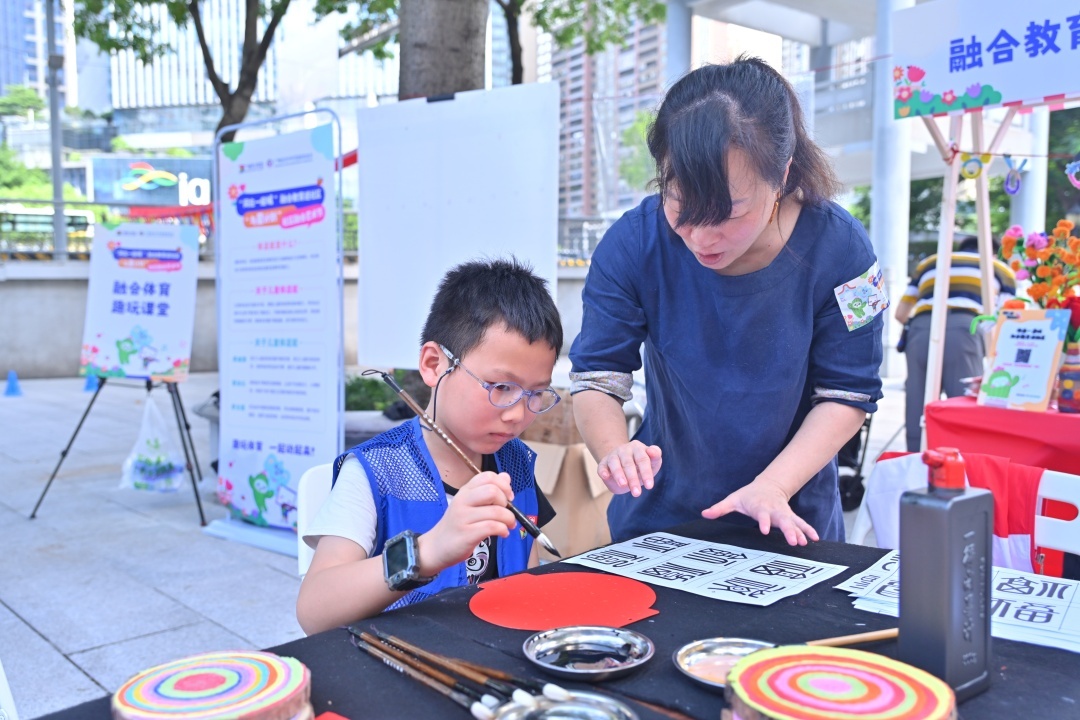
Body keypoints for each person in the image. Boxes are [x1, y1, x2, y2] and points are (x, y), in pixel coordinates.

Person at [569, 57, 884, 547]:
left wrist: (773, 487)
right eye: (680, 205)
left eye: (727, 213)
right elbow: (596, 375)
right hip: (661, 522)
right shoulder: (631, 243)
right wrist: (614, 450)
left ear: (782, 175)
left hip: (792, 521)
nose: (700, 237)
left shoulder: (846, 251)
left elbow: (849, 393)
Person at [296, 258, 562, 634]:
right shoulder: (378, 471)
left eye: (536, 393)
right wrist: (426, 553)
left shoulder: (515, 462)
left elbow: (525, 577)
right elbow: (313, 609)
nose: (518, 414)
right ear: (435, 364)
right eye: (501, 387)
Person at [895, 234, 1016, 452]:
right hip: (966, 329)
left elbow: (900, 314)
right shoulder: (998, 268)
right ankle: (959, 462)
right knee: (963, 405)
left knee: (917, 403)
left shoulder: (930, 263)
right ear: (993, 252)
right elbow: (1007, 318)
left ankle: (915, 459)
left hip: (921, 329)